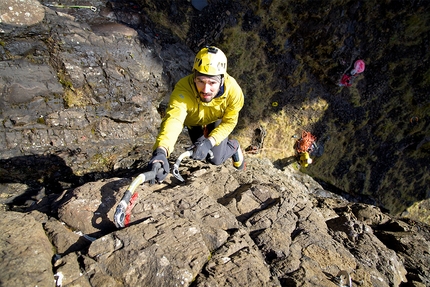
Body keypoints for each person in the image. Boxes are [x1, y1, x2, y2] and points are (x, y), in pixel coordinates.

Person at [148, 46, 245, 182]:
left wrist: (209, 142)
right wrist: (161, 151)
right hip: (193, 122)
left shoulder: (233, 92)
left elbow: (229, 122)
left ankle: (234, 146)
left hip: (216, 119)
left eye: (212, 82)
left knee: (215, 159)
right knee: (200, 153)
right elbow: (174, 120)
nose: (205, 89)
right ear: (194, 77)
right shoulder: (183, 89)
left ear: (222, 80)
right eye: (200, 81)